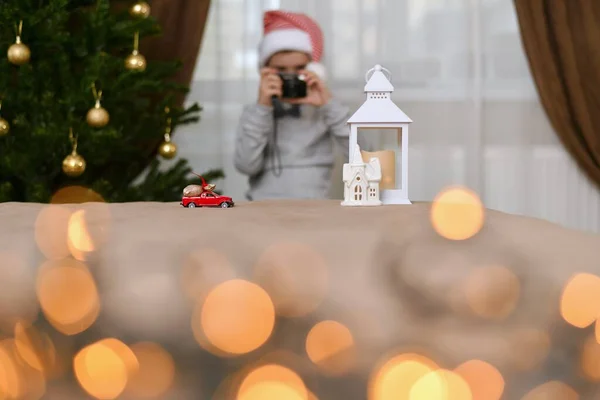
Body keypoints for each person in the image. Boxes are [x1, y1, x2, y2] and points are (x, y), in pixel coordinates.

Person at [234, 10, 350, 201]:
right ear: (265, 71)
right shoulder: (254, 113)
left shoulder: (327, 110)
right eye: (281, 70)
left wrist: (329, 104)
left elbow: (365, 157)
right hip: (263, 209)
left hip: (315, 207)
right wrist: (263, 108)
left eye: (300, 69)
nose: (291, 78)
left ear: (315, 70)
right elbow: (245, 166)